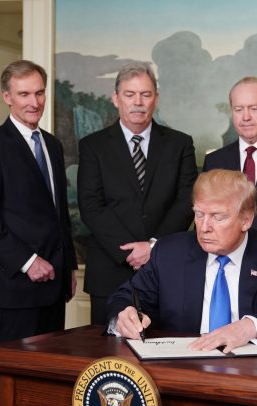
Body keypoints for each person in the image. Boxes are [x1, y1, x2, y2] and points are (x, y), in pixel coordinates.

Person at [0, 60, 78, 406]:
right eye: (24, 93)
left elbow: (59, 214)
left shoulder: (53, 146)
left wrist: (69, 264)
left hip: (55, 283)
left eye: (39, 92)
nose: (34, 101)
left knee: (44, 377)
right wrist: (28, 261)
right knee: (9, 378)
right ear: (6, 97)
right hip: (16, 287)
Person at [108, 169, 257, 350]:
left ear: (246, 220)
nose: (204, 227)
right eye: (199, 215)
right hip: (182, 369)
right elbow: (126, 296)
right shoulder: (169, 252)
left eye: (218, 217)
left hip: (255, 375)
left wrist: (248, 328)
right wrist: (124, 315)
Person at [78, 61, 198, 325]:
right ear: (116, 98)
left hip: (164, 271)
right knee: (108, 357)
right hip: (109, 272)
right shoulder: (93, 146)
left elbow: (186, 200)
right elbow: (91, 206)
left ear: (156, 98)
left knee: (164, 354)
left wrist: (153, 247)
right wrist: (130, 252)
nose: (138, 102)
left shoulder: (180, 144)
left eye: (145, 94)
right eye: (130, 95)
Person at [202, 77, 257, 231]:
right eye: (238, 109)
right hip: (229, 253)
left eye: (253, 108)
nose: (246, 117)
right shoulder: (214, 161)